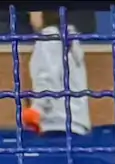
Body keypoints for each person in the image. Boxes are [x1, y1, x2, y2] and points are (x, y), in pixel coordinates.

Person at [25, 8, 91, 137]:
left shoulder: (48, 37)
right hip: (76, 124)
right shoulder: (68, 38)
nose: (31, 18)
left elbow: (47, 77)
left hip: (55, 123)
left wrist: (36, 109)